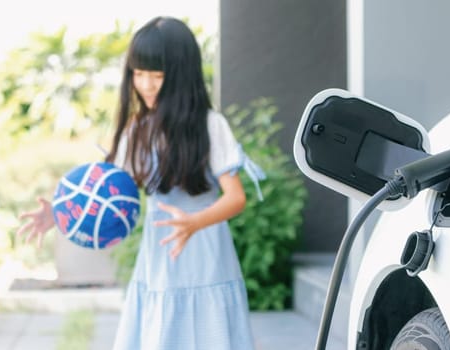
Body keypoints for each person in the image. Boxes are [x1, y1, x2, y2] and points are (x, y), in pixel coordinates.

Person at [16, 16, 264, 350]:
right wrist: (62, 215)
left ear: (181, 75)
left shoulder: (210, 124)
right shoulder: (138, 129)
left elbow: (236, 198)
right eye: (138, 73)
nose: (145, 84)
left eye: (157, 75)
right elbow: (111, 190)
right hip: (160, 252)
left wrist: (194, 222)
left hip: (205, 252)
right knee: (160, 333)